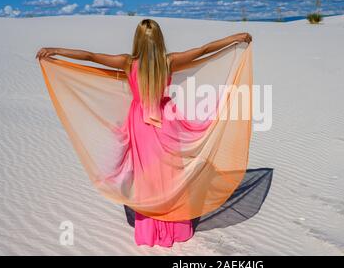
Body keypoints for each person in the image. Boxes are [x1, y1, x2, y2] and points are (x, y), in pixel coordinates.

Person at [36, 19, 252, 247]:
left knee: (147, 176)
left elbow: (90, 56)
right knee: (170, 173)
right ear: (159, 39)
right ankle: (176, 226)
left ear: (137, 39)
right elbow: (203, 50)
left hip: (141, 125)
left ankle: (150, 229)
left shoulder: (127, 63)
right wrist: (233, 39)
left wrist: (56, 51)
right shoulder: (169, 61)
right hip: (166, 121)